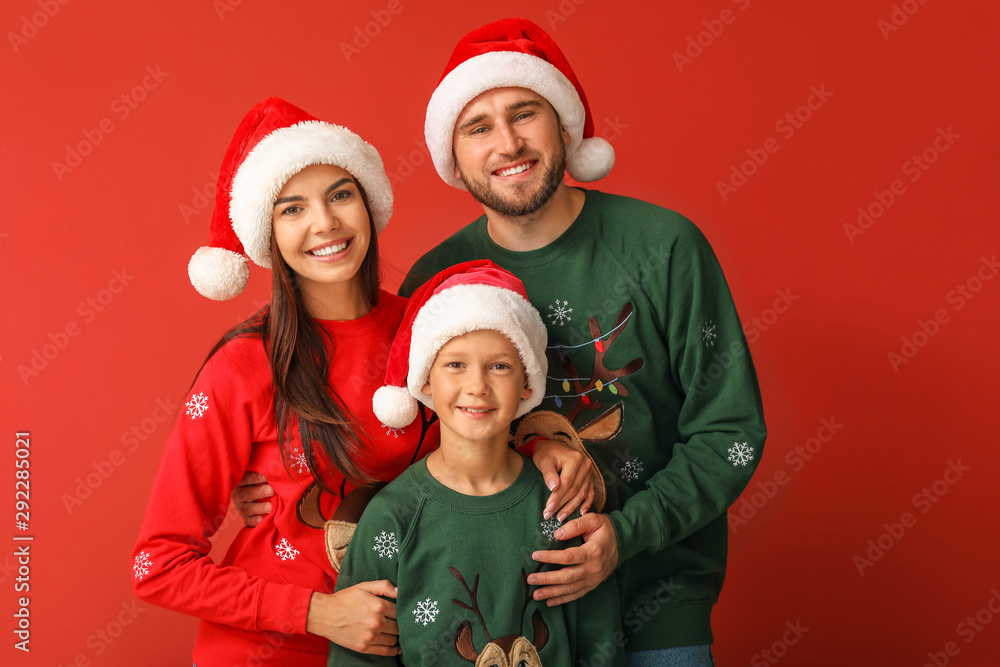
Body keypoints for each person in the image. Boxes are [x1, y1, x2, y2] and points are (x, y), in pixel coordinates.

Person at [133, 97, 594, 666]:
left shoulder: (428, 330)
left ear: (369, 202)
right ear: (267, 233)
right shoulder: (243, 363)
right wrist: (315, 612)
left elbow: (469, 437)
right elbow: (157, 564)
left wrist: (537, 446)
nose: (324, 223)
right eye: (292, 209)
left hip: (405, 645)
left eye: (340, 195)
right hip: (269, 653)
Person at [400, 18, 768, 666]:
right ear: (453, 155)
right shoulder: (433, 281)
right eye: (478, 125)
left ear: (564, 124)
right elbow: (408, 444)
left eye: (524, 113)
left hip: (656, 608)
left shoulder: (665, 247)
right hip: (502, 622)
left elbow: (730, 431)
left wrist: (624, 536)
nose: (507, 142)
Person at [329, 260, 623, 666]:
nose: (477, 386)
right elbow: (358, 656)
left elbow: (599, 640)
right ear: (426, 379)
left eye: (500, 366)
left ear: (527, 382)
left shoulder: (564, 503)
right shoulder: (391, 519)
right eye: (455, 364)